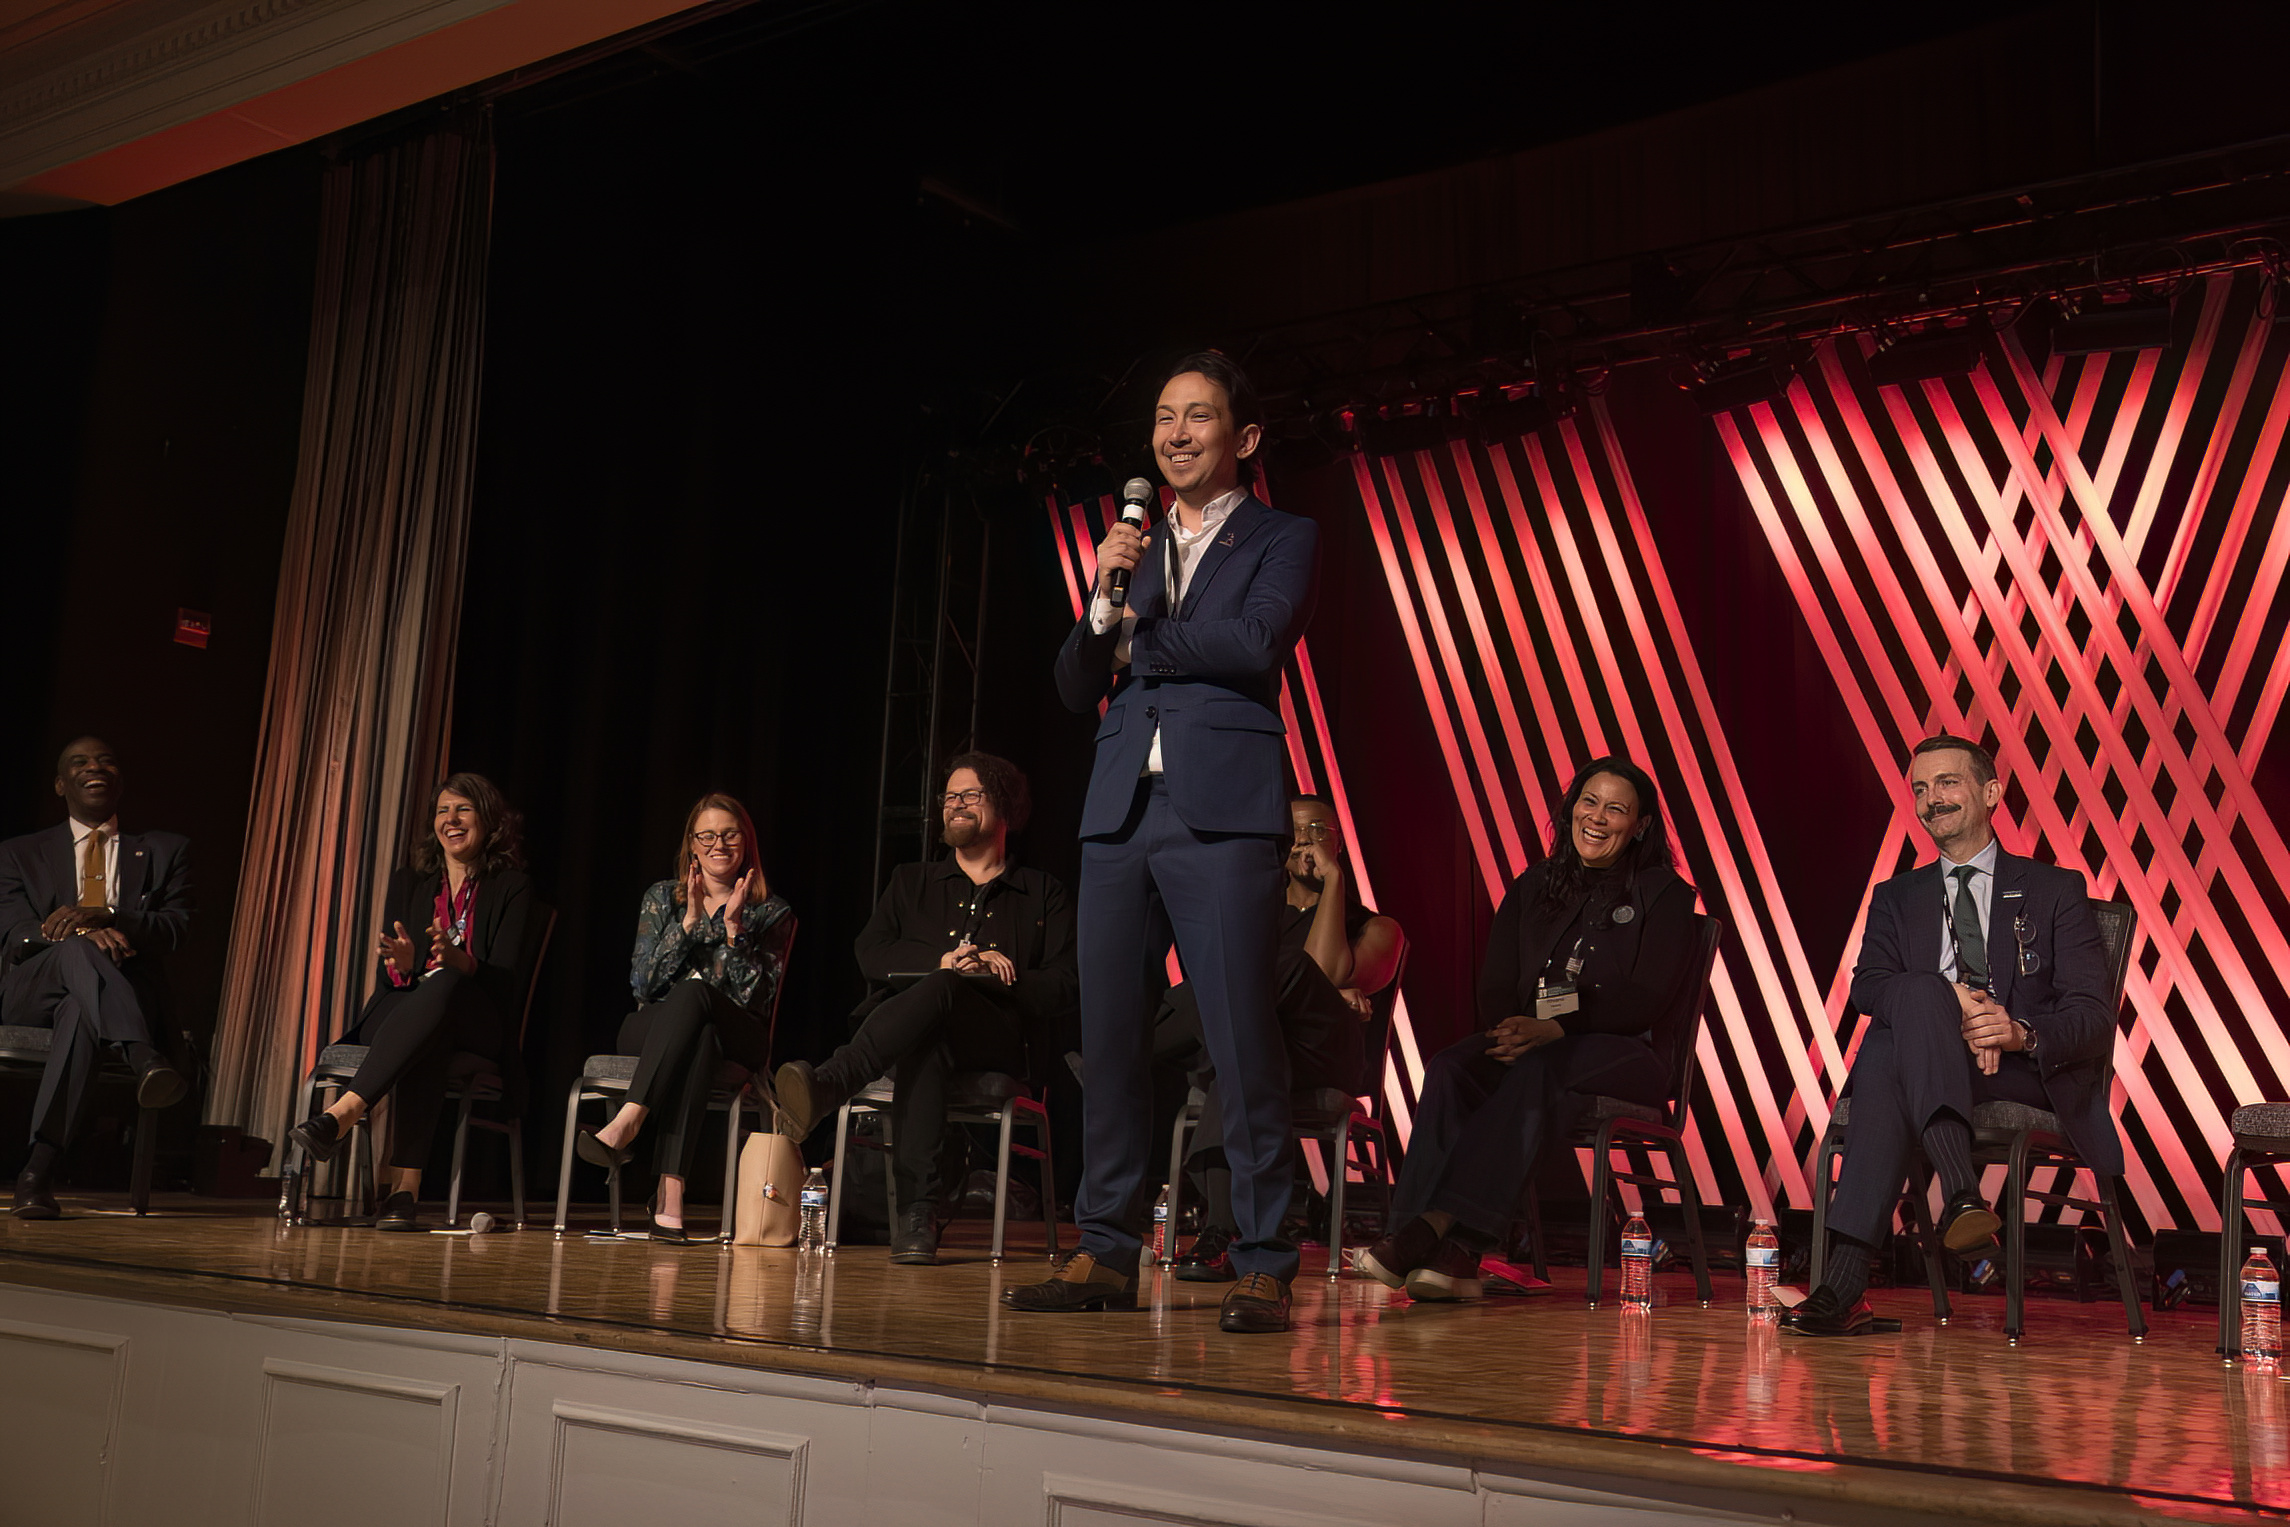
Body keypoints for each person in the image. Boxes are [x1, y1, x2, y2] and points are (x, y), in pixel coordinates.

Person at [1008, 352, 1318, 1333]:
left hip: (1221, 813)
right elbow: (1070, 685)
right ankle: (1105, 1249)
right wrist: (1105, 600)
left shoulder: (1281, 536)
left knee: (1237, 1038)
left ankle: (1265, 1256)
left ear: (1244, 437)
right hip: (1116, 816)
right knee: (1107, 1043)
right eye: (1162, 419)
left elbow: (1256, 641)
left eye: (1198, 417)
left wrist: (1141, 643)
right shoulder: (1129, 546)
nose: (1176, 434)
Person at [1790, 734, 2116, 1337]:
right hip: (1926, 1059)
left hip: (2015, 1069)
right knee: (1909, 1003)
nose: (1931, 798)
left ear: (1990, 793)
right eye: (1919, 788)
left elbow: (2093, 1015)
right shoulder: (1897, 896)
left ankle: (1844, 1282)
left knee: (1888, 1050)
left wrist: (2017, 1031)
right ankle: (1961, 1193)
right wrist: (1948, 1001)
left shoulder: (2053, 889)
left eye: (1947, 783)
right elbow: (1868, 987)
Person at [1358, 757, 1695, 1302]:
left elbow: (1646, 999)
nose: (1598, 818)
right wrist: (1515, 1029)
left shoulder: (1666, 895)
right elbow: (1497, 985)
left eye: (1617, 809)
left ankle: (1437, 1232)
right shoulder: (1534, 884)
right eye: (1589, 802)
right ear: (1569, 811)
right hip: (1540, 1043)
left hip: (1631, 1052)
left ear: (1640, 826)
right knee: (1452, 1066)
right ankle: (1438, 1244)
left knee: (1541, 1070)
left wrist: (1558, 1028)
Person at [775, 754, 1074, 1265]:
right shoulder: (910, 880)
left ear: (1004, 806)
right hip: (914, 1036)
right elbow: (870, 952)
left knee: (945, 990)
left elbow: (1068, 986)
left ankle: (831, 1082)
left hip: (999, 1039)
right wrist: (942, 962)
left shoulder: (1043, 893)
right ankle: (917, 1217)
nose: (955, 805)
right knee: (929, 1027)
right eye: (949, 797)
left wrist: (995, 974)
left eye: (970, 796)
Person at [1162, 793, 1405, 1281]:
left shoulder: (1377, 927)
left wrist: (1333, 880)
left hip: (1326, 1055)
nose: (1306, 844)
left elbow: (1321, 970)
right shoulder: (1256, 916)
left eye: (1318, 832)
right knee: (1240, 1055)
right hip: (1262, 1048)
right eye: (1295, 833)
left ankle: (1131, 1052)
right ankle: (1221, 1231)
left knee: (1266, 974)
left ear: (1337, 843)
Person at [287, 773, 536, 1231]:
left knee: (443, 988)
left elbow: (507, 980)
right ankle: (404, 1192)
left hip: (481, 1017)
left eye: (463, 809)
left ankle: (342, 1113)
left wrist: (461, 962)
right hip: (412, 1008)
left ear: (488, 822)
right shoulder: (410, 882)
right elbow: (395, 974)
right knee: (431, 1017)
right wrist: (404, 964)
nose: (451, 820)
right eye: (442, 810)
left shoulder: (511, 886)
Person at [576, 793, 793, 1243]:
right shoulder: (663, 898)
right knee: (700, 1033)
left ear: (746, 842)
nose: (719, 844)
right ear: (692, 845)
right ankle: (670, 1195)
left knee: (701, 1003)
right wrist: (689, 923)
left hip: (742, 1034)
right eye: (707, 835)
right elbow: (642, 984)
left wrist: (734, 934)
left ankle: (630, 1118)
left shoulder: (771, 911)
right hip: (656, 1028)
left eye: (730, 834)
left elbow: (756, 997)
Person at [1, 737, 192, 1219]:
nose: (95, 767)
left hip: (109, 995)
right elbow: (15, 934)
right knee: (78, 955)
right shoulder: (19, 853)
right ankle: (142, 1054)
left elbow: (176, 930)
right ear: (61, 784)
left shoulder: (166, 851)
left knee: (81, 1013)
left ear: (120, 782)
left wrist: (112, 915)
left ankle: (36, 1174)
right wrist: (83, 935)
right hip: (33, 988)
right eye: (79, 762)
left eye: (106, 760)